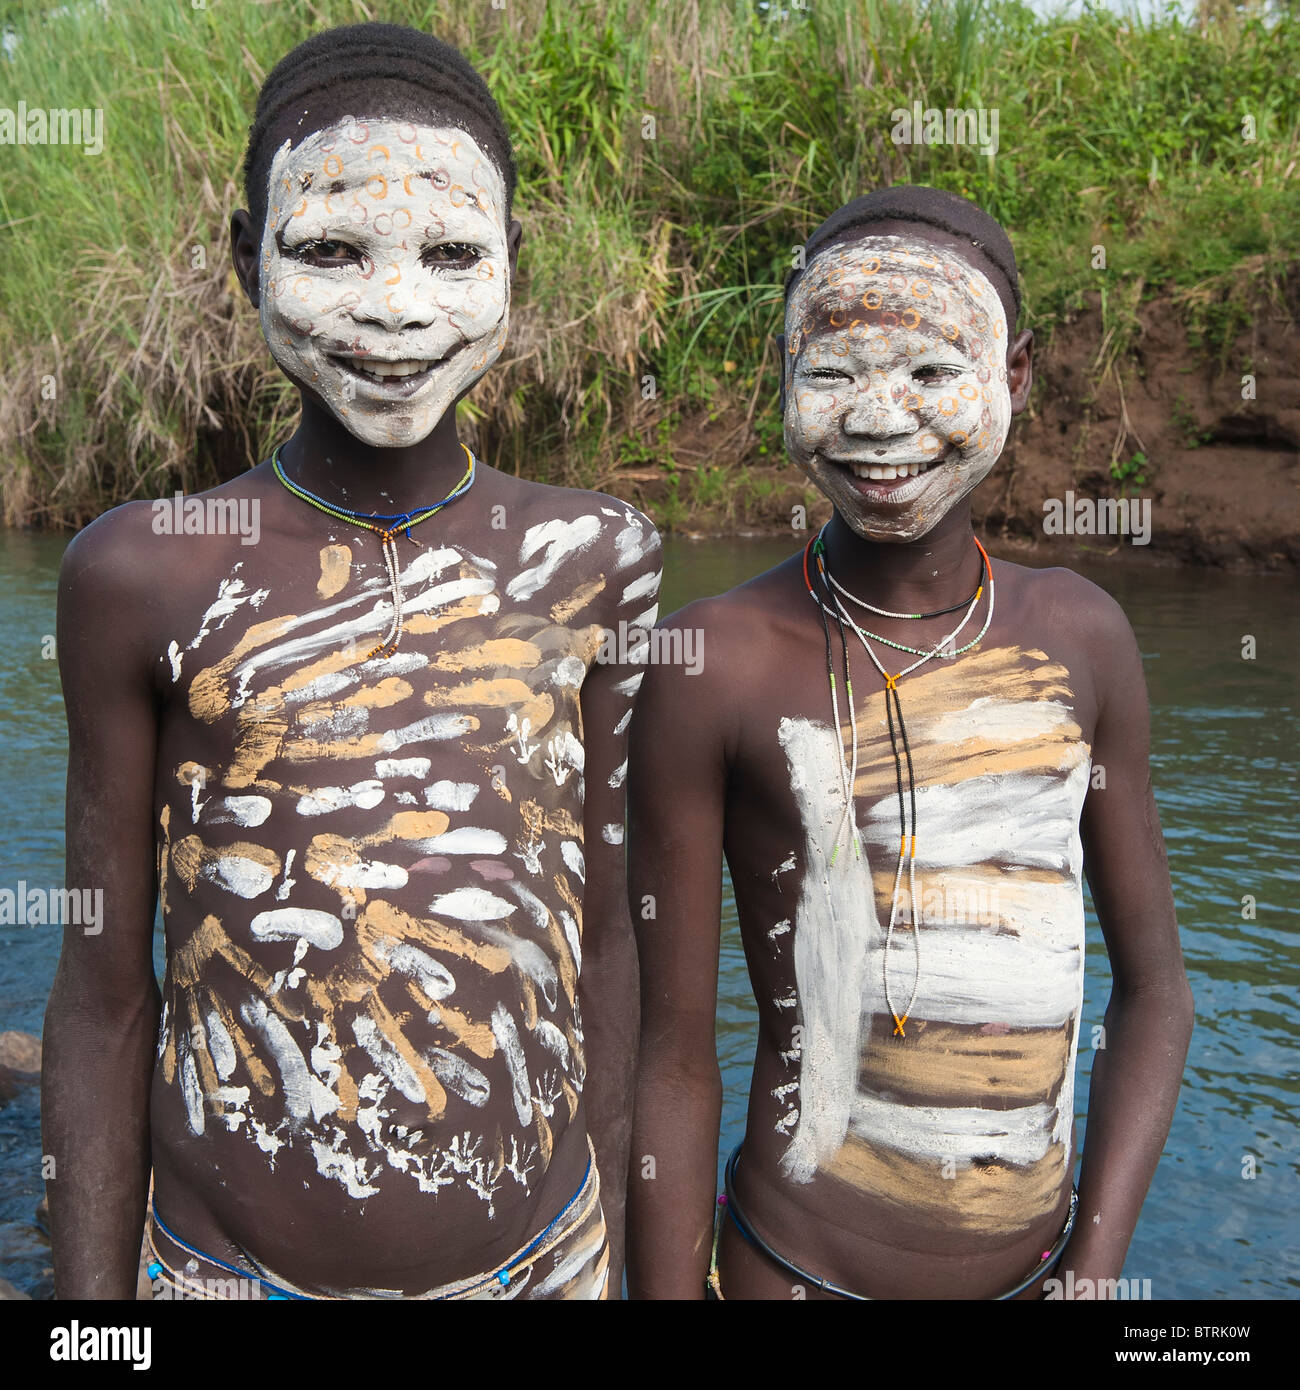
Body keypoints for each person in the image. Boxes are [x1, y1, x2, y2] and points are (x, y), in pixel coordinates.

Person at [43, 20, 660, 1301]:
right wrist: (88, 1326)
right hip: (224, 1276)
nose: (397, 307)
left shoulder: (596, 555)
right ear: (242, 259)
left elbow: (605, 944)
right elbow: (104, 997)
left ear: (511, 266)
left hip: (547, 1264)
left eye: (451, 253)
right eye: (330, 251)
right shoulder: (142, 571)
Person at [626, 186, 1193, 1300]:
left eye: (933, 372)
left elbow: (1156, 992)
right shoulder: (712, 662)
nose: (880, 421)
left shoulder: (1080, 636)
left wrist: (1093, 1271)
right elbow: (671, 1054)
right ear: (782, 379)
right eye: (832, 375)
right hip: (788, 1270)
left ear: (1013, 376)